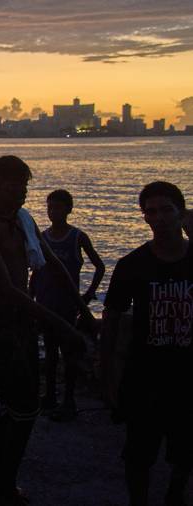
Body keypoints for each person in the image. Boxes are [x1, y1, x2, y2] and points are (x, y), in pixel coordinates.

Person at [0, 155, 94, 505]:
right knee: (23, 405)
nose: (21, 191)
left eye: (24, 184)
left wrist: (84, 312)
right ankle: (3, 482)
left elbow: (55, 266)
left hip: (25, 323)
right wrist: (60, 325)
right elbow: (5, 288)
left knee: (17, 405)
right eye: (13, 184)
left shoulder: (24, 220)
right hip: (2, 324)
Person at [101, 182, 192, 506]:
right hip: (145, 378)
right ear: (144, 218)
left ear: (181, 213)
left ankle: (175, 494)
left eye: (167, 209)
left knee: (185, 453)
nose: (160, 218)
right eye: (151, 212)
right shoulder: (131, 265)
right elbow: (111, 321)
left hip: (188, 378)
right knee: (139, 456)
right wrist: (109, 374)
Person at [29, 189, 105, 421]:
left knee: (69, 352)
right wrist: (29, 298)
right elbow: (36, 271)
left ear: (69, 209)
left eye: (58, 207)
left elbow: (99, 266)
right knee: (50, 352)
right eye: (50, 207)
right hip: (45, 303)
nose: (53, 212)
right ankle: (50, 395)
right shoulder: (43, 237)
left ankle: (69, 401)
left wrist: (87, 295)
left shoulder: (77, 237)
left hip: (67, 306)